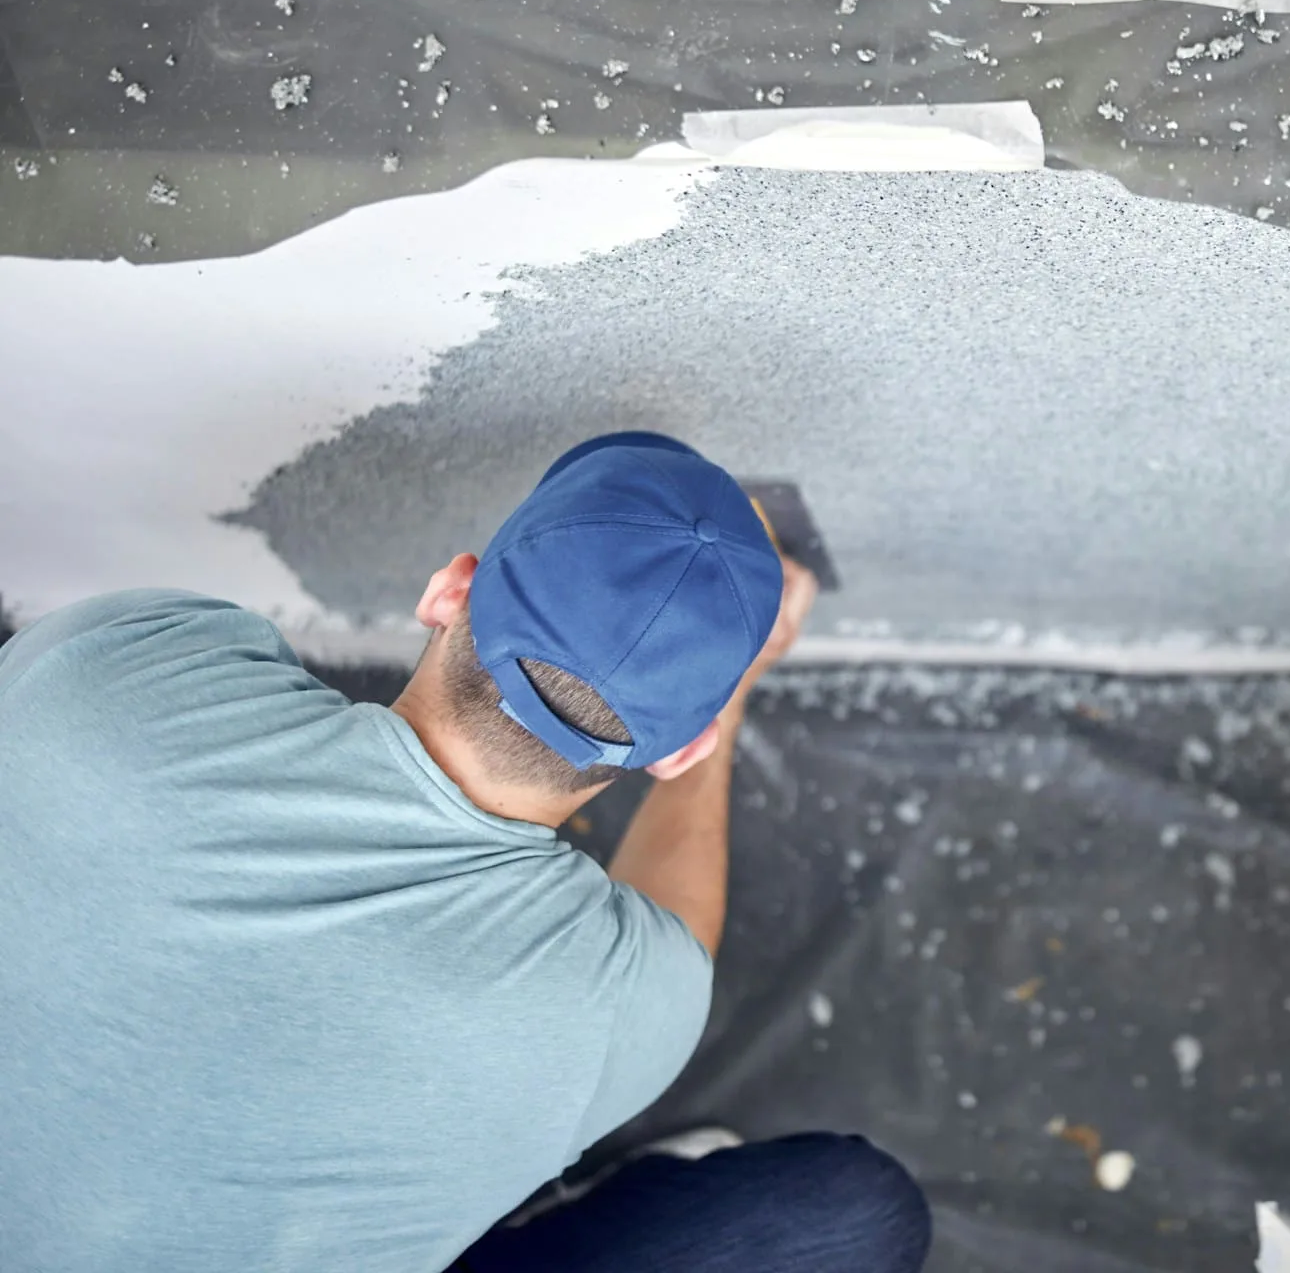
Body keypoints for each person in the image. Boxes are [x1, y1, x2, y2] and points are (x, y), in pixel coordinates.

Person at [0, 432, 932, 1273]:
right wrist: (729, 697)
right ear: (683, 750)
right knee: (855, 1217)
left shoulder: (111, 672)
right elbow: (674, 933)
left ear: (449, 589)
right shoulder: (618, 1011)